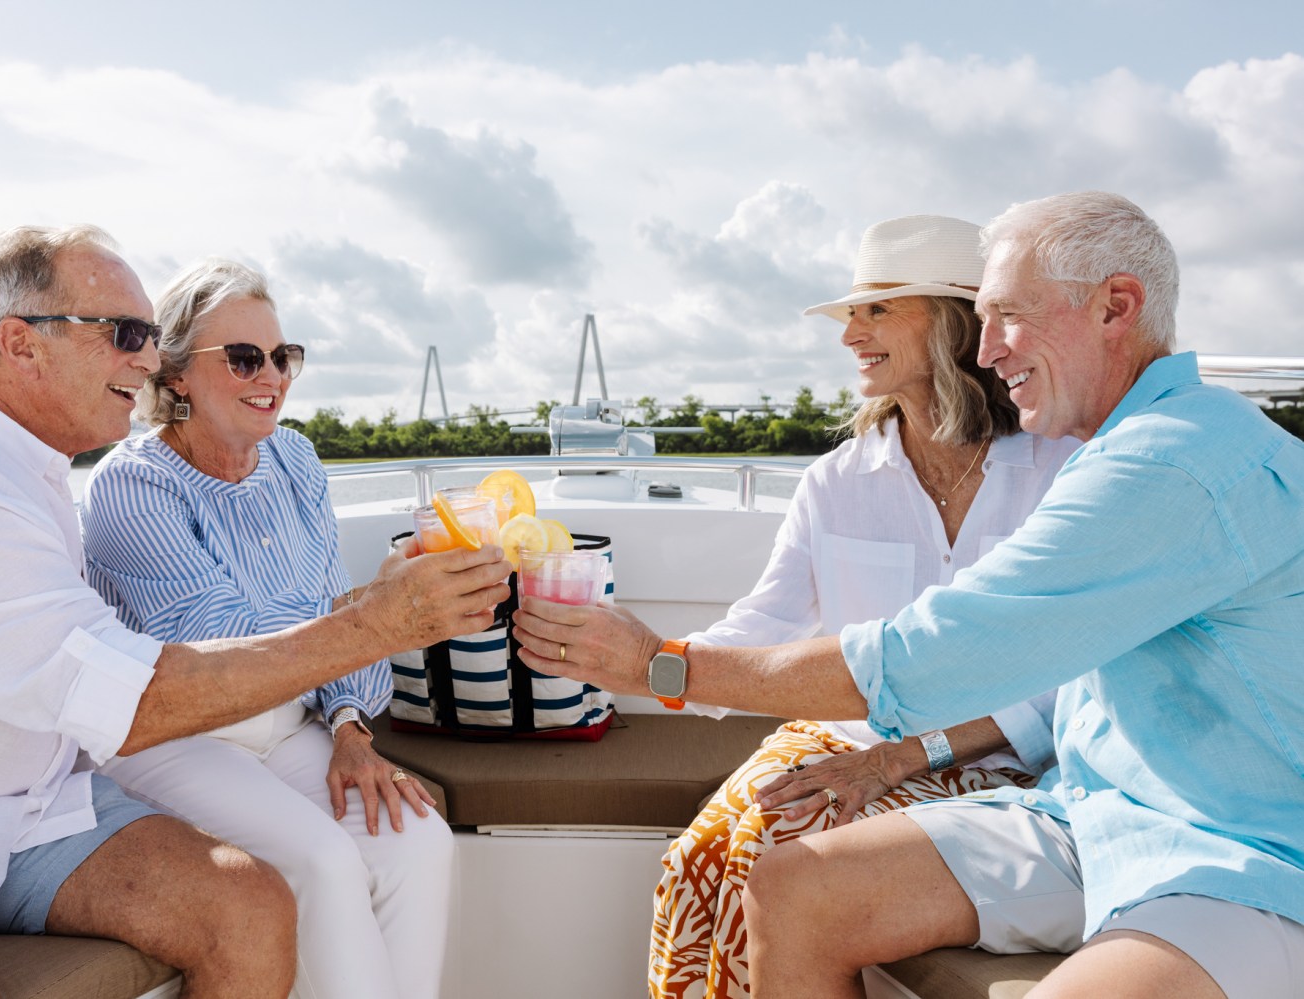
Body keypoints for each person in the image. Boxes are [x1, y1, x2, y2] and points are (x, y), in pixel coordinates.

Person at [515, 192, 1304, 999]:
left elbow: (935, 656)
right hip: (1093, 810)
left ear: (1115, 307)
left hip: (1243, 851)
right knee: (792, 886)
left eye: (1007, 318)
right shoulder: (1111, 448)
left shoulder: (1170, 465)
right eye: (983, 318)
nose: (989, 350)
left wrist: (660, 666)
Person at [0, 225, 510, 998]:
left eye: (283, 355)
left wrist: (353, 706)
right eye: (125, 334)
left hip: (36, 807)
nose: (146, 358)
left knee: (253, 903)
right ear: (20, 344)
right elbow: (134, 702)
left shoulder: (32, 471)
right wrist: (380, 620)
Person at [649, 215, 1078, 999]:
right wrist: (645, 660)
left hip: (999, 758)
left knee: (778, 841)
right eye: (852, 312)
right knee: (698, 856)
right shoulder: (838, 478)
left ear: (953, 322)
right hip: (846, 732)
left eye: (876, 309)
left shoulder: (1061, 471)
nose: (850, 332)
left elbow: (1072, 675)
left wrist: (905, 755)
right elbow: (766, 625)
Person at [81, 258, 451, 999]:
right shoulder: (131, 485)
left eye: (284, 357)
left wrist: (351, 728)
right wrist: (374, 610)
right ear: (177, 375)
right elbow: (221, 647)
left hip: (293, 721)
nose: (273, 376)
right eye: (246, 358)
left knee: (414, 840)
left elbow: (320, 610)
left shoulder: (295, 458)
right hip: (171, 731)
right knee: (323, 858)